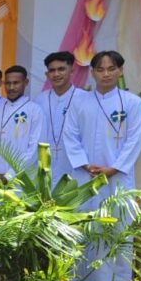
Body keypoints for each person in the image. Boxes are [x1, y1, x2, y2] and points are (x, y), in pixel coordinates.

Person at [63, 51, 141, 281]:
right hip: (85, 176)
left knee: (117, 228)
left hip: (117, 178)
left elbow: (135, 140)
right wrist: (85, 165)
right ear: (92, 72)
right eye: (100, 69)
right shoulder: (80, 102)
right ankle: (80, 280)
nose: (105, 74)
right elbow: (70, 136)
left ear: (120, 70)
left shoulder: (132, 102)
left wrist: (113, 168)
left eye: (111, 68)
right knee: (85, 226)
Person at [0, 65, 44, 181]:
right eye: (8, 83)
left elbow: (34, 148)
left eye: (16, 83)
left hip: (20, 178)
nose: (11, 87)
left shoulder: (34, 110)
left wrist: (9, 175)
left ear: (26, 82)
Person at [35, 51, 87, 184]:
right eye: (52, 70)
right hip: (45, 164)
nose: (56, 74)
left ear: (72, 71)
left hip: (76, 163)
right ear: (47, 74)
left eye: (61, 69)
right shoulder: (40, 100)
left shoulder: (84, 99)